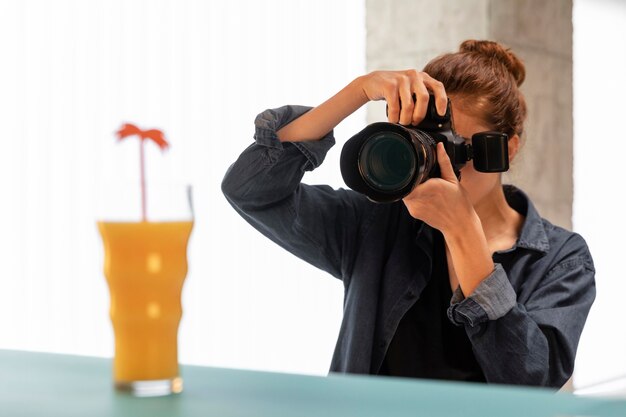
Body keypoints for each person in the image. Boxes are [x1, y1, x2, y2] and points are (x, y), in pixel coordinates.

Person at [221, 40, 595, 387]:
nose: (440, 161)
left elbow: (532, 381)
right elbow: (252, 191)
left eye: (456, 146)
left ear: (506, 150)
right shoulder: (376, 223)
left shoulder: (561, 260)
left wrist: (464, 233)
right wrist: (358, 91)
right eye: (429, 144)